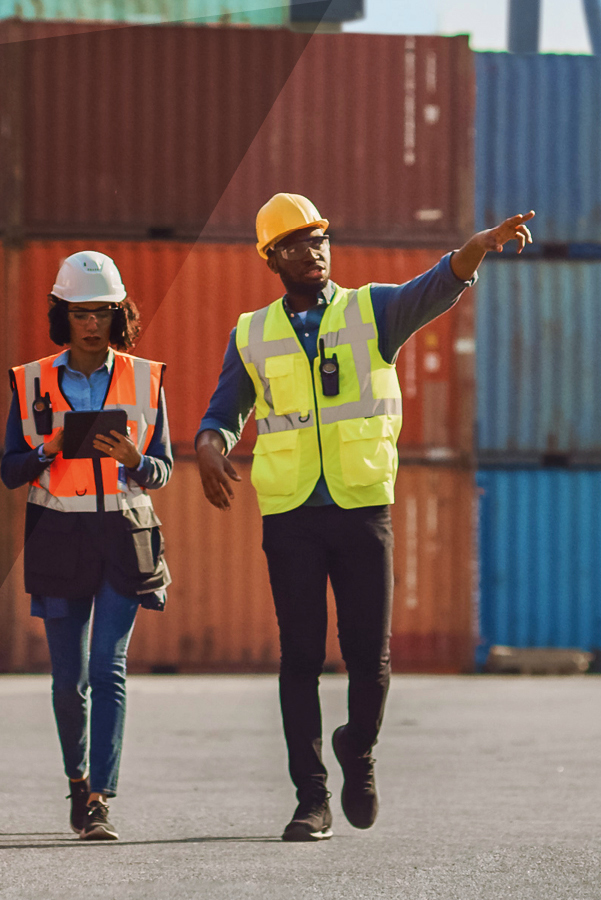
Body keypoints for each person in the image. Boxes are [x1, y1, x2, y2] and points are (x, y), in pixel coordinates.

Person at [192, 194, 535, 842]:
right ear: (272, 258)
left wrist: (479, 245)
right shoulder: (252, 332)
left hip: (360, 506)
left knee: (368, 658)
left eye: (319, 238)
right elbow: (223, 413)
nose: (313, 251)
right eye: (296, 244)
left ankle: (359, 749)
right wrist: (208, 445)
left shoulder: (370, 310)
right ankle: (311, 798)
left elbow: (438, 286)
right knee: (299, 658)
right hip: (291, 513)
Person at [0, 251, 174, 842]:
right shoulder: (31, 382)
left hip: (124, 540)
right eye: (79, 313)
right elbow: (9, 471)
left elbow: (164, 470)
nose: (91, 323)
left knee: (107, 668)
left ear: (118, 313)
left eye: (101, 312)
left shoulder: (146, 379)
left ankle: (100, 797)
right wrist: (46, 451)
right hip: (59, 540)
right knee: (68, 679)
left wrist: (136, 461)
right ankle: (76, 778)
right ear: (63, 315)